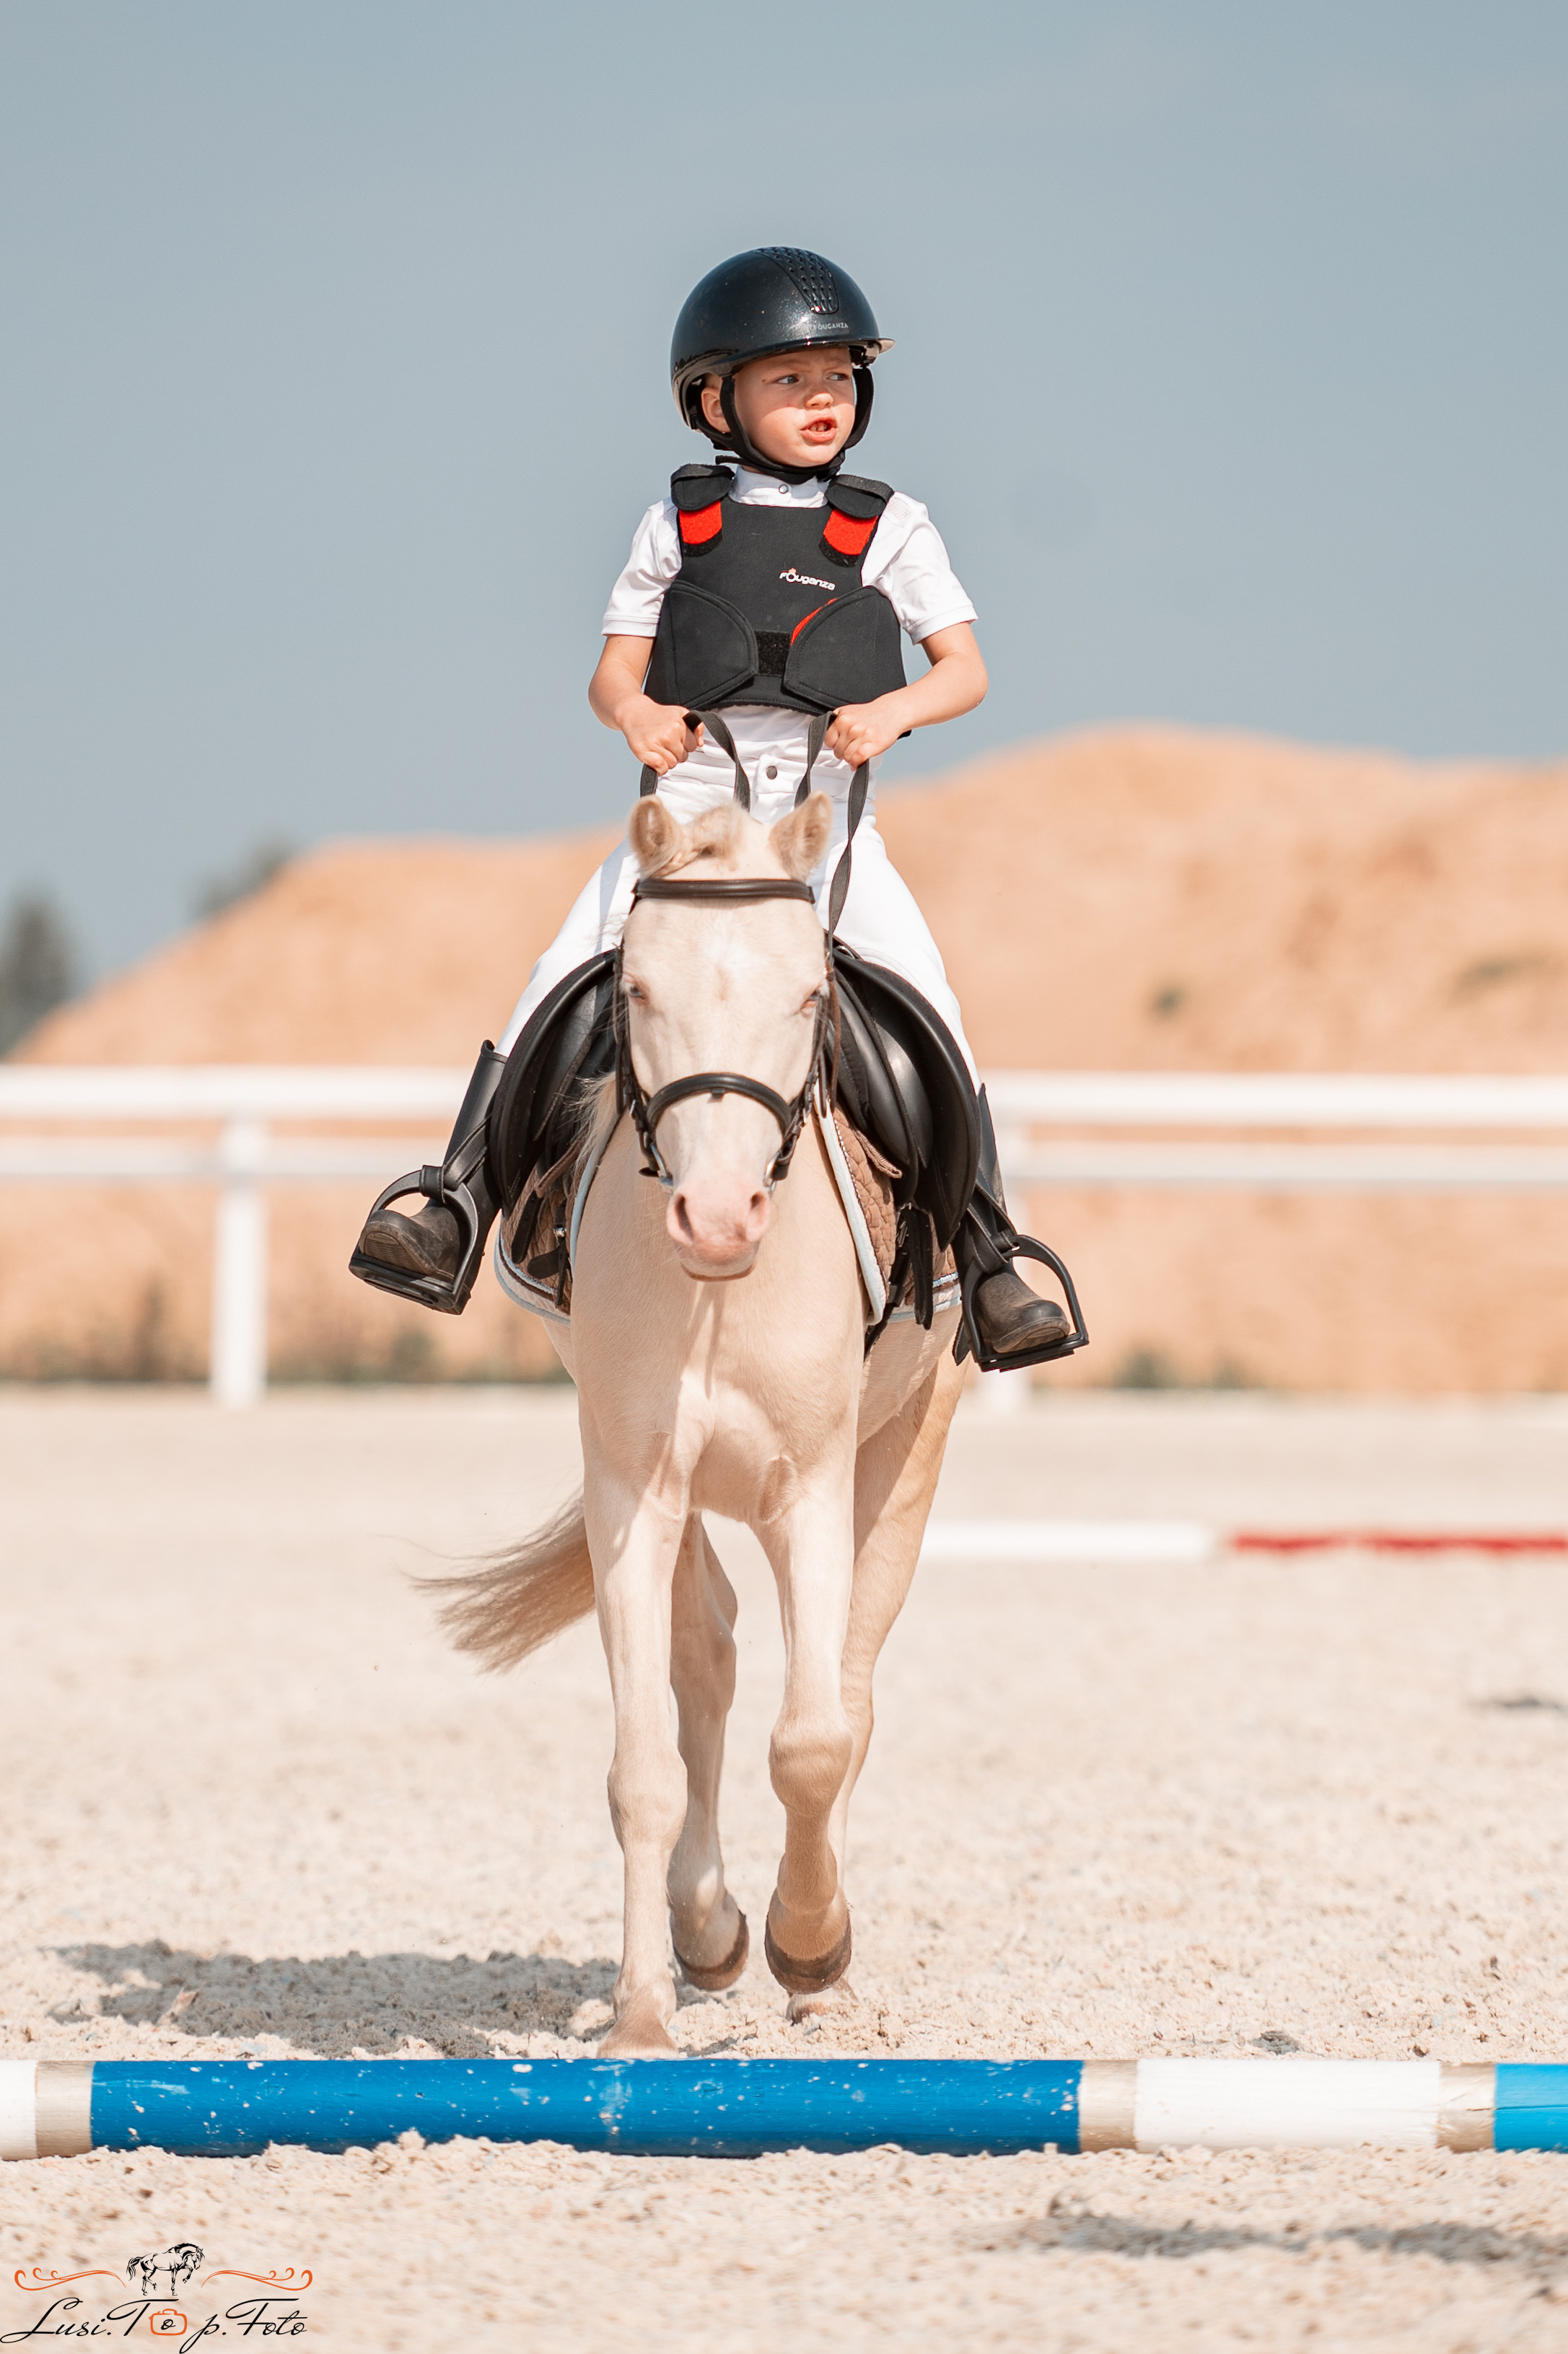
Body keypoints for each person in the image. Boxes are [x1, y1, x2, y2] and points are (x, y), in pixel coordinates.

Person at [352, 246, 1075, 1368]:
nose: (821, 397)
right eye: (789, 379)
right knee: (556, 979)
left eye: (836, 375)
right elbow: (611, 678)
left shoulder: (891, 525)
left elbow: (964, 670)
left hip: (823, 840)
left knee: (934, 1009)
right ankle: (451, 1201)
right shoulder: (672, 525)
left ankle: (986, 1255)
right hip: (681, 832)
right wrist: (633, 718)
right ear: (713, 399)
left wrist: (890, 711)